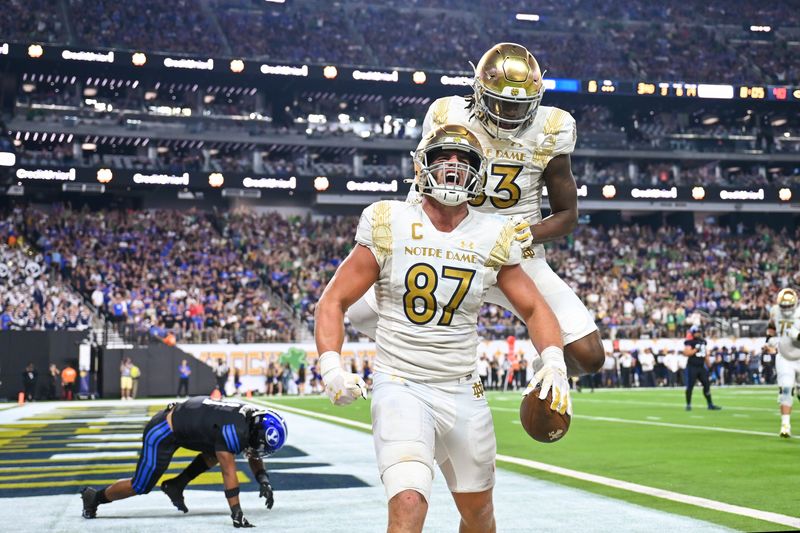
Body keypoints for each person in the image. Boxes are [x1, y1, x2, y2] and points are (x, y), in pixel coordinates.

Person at [314, 124, 568, 533]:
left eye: (464, 160)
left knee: (479, 516)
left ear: (478, 171)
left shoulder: (492, 232)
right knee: (409, 499)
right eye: (443, 158)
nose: (453, 167)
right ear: (422, 167)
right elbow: (333, 299)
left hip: (462, 389)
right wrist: (331, 367)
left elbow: (535, 307)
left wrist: (553, 362)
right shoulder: (387, 219)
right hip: (401, 382)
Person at [345, 42, 604, 380]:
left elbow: (567, 215)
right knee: (361, 313)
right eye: (502, 103)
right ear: (479, 92)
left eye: (518, 106)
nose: (509, 114)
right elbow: (423, 181)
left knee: (589, 356)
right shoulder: (447, 114)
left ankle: (541, 362)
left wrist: (528, 233)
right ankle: (428, 363)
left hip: (514, 254)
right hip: (451, 246)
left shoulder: (552, 128)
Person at [81, 396, 288, 528]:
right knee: (141, 486)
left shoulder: (250, 418)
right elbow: (228, 472)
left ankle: (176, 484)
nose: (257, 453)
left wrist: (263, 479)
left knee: (215, 451)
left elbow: (253, 453)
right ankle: (94, 498)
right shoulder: (235, 430)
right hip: (163, 431)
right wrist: (237, 513)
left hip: (187, 426)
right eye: (260, 447)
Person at [766, 288, 800, 437]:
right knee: (785, 390)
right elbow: (772, 327)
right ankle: (785, 425)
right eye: (783, 306)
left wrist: (798, 335)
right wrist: (769, 340)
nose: (785, 309)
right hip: (784, 356)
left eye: (788, 306)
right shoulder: (774, 311)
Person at [683, 327, 722, 411]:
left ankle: (710, 404)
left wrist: (709, 366)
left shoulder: (703, 342)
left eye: (699, 332)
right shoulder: (690, 342)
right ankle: (688, 404)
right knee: (690, 386)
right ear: (693, 333)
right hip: (692, 366)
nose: (698, 333)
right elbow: (687, 353)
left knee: (707, 384)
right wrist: (695, 349)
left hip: (701, 367)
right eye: (697, 332)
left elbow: (705, 355)